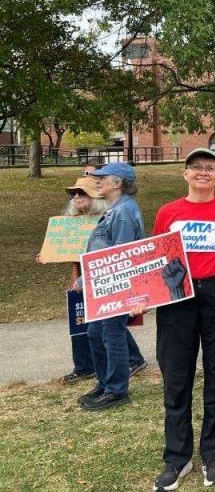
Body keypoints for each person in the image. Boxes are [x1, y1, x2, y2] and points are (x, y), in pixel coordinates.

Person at [149, 148, 215, 491]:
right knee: (176, 377)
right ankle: (177, 457)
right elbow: (155, 257)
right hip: (178, 297)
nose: (203, 172)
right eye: (196, 167)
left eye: (210, 168)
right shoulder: (168, 212)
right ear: (185, 173)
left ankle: (212, 454)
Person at [78, 163, 147, 411]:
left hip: (116, 287)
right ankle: (105, 383)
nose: (97, 181)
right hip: (103, 286)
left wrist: (88, 280)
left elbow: (120, 255)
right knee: (95, 334)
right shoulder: (116, 209)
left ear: (117, 183)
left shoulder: (124, 211)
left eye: (102, 177)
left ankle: (117, 390)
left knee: (111, 334)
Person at [36, 177, 110, 384]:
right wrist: (48, 254)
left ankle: (132, 360)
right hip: (78, 281)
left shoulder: (105, 221)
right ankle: (84, 367)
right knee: (79, 323)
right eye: (73, 193)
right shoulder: (71, 223)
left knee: (106, 325)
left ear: (96, 197)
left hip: (101, 280)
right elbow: (67, 251)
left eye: (82, 192)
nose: (76, 197)